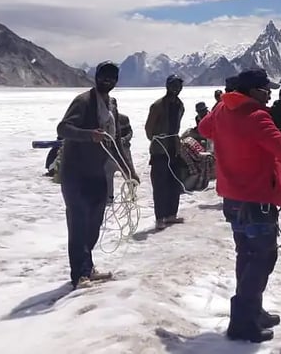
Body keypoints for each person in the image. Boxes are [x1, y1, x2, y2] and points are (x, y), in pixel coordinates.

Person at [197, 69, 281, 343]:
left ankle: (252, 311)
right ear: (251, 91)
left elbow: (203, 128)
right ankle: (242, 320)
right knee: (263, 257)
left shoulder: (224, 110)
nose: (270, 93)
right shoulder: (257, 116)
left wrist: (222, 103)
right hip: (257, 198)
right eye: (264, 89)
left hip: (233, 198)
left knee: (246, 255)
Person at [56, 61, 134, 288]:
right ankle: (79, 275)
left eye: (113, 77)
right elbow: (63, 129)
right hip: (76, 174)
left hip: (97, 172)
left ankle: (87, 267)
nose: (108, 81)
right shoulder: (83, 102)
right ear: (96, 77)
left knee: (94, 224)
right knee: (79, 224)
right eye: (104, 76)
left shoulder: (111, 104)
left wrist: (129, 171)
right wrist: (90, 135)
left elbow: (116, 140)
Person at [145, 74, 186, 230]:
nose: (177, 89)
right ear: (168, 86)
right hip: (160, 151)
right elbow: (149, 129)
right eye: (174, 85)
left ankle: (171, 214)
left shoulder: (180, 105)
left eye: (179, 86)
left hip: (174, 149)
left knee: (174, 182)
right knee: (160, 184)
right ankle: (160, 217)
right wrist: (157, 139)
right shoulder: (158, 106)